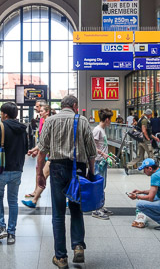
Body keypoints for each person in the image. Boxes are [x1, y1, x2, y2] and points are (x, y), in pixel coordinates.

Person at [36, 95, 96, 268]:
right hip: (78, 169)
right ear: (75, 105)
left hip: (56, 168)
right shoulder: (82, 120)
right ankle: (78, 246)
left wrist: (40, 173)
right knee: (76, 208)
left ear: (62, 106)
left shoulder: (50, 121)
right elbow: (92, 152)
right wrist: (91, 174)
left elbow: (41, 152)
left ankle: (61, 257)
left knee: (58, 212)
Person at [0, 102, 28, 245]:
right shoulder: (22, 129)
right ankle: (11, 233)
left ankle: (1, 228)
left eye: (1, 113)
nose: (0, 115)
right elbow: (26, 148)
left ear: (5, 114)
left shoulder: (1, 126)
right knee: (13, 201)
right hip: (17, 169)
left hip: (2, 168)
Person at [22, 104, 51, 208]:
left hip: (52, 155)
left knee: (43, 174)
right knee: (43, 174)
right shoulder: (44, 121)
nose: (39, 111)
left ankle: (34, 199)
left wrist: (34, 150)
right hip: (49, 154)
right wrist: (36, 150)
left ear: (47, 112)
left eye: (41, 109)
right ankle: (34, 198)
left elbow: (44, 141)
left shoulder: (48, 122)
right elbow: (44, 141)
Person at [91, 108, 114, 220]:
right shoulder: (97, 130)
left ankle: (101, 206)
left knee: (103, 184)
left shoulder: (102, 130)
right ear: (106, 119)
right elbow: (92, 146)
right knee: (98, 185)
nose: (111, 122)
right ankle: (96, 209)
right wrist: (102, 154)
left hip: (102, 161)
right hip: (98, 161)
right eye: (110, 120)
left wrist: (106, 155)